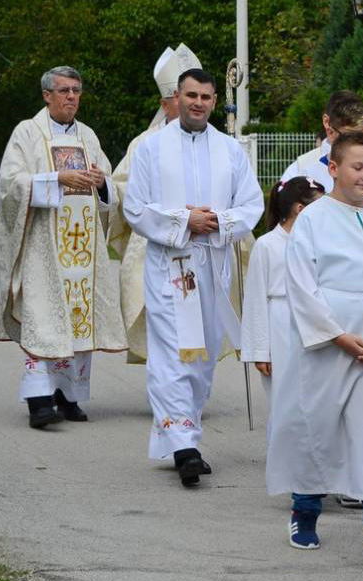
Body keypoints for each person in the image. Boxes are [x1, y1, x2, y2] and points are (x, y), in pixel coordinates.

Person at [123, 68, 264, 487]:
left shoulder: (231, 150)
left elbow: (252, 205)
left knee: (201, 353)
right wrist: (186, 220)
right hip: (171, 264)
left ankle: (185, 430)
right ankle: (184, 445)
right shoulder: (151, 148)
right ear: (177, 97)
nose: (198, 102)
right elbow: (136, 208)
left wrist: (217, 220)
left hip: (212, 264)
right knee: (171, 352)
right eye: (190, 95)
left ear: (215, 101)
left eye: (205, 96)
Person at [277, 131, 363, 562]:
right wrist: (338, 336)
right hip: (328, 341)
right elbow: (302, 285)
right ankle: (305, 510)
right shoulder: (313, 219)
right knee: (318, 428)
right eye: (356, 167)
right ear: (332, 168)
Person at [0, 65, 125, 429]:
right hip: (43, 250)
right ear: (46, 96)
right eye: (64, 90)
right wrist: (56, 178)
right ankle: (39, 402)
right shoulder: (28, 132)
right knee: (44, 318)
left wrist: (100, 184)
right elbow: (9, 186)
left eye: (76, 90)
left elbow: (109, 188)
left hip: (82, 252)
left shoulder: (88, 137)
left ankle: (68, 397)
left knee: (78, 321)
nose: (71, 97)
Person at [110, 44, 202, 364]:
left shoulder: (215, 143)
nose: (190, 102)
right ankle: (165, 392)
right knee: (162, 324)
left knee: (194, 323)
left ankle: (189, 390)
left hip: (199, 247)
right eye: (181, 96)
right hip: (153, 248)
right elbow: (121, 190)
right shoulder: (144, 144)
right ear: (165, 103)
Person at [240, 176, 325, 496]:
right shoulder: (268, 245)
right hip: (279, 325)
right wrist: (260, 349)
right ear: (299, 209)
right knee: (285, 404)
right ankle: (290, 473)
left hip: (312, 325)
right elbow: (256, 298)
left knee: (316, 402)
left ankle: (316, 472)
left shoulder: (319, 244)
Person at [279, 91, 363, 213]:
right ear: (328, 127)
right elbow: (284, 221)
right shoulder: (301, 169)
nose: (360, 146)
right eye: (350, 137)